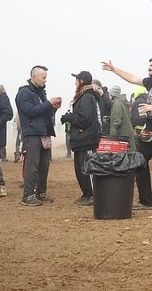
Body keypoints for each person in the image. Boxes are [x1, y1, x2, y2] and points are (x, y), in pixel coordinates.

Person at [102, 55, 152, 211]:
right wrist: (114, 69)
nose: (149, 67)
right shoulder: (150, 83)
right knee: (139, 162)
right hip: (150, 132)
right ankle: (146, 201)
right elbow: (132, 78)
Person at [16, 65, 62, 206]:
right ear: (34, 76)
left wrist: (53, 108)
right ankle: (28, 195)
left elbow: (44, 113)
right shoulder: (24, 93)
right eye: (43, 77)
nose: (45, 80)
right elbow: (30, 111)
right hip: (32, 134)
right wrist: (48, 103)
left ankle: (41, 192)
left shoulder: (40, 93)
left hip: (43, 132)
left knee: (44, 165)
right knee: (32, 164)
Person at [61, 71, 102, 206]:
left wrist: (70, 118)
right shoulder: (84, 96)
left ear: (81, 81)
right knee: (80, 170)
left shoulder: (86, 97)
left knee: (88, 169)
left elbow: (84, 119)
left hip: (87, 139)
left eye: (76, 80)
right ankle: (86, 194)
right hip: (81, 140)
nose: (75, 83)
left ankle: (92, 195)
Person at [108, 85, 136, 153]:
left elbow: (117, 121)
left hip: (122, 136)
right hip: (127, 134)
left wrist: (113, 138)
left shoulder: (117, 104)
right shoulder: (123, 102)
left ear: (112, 95)